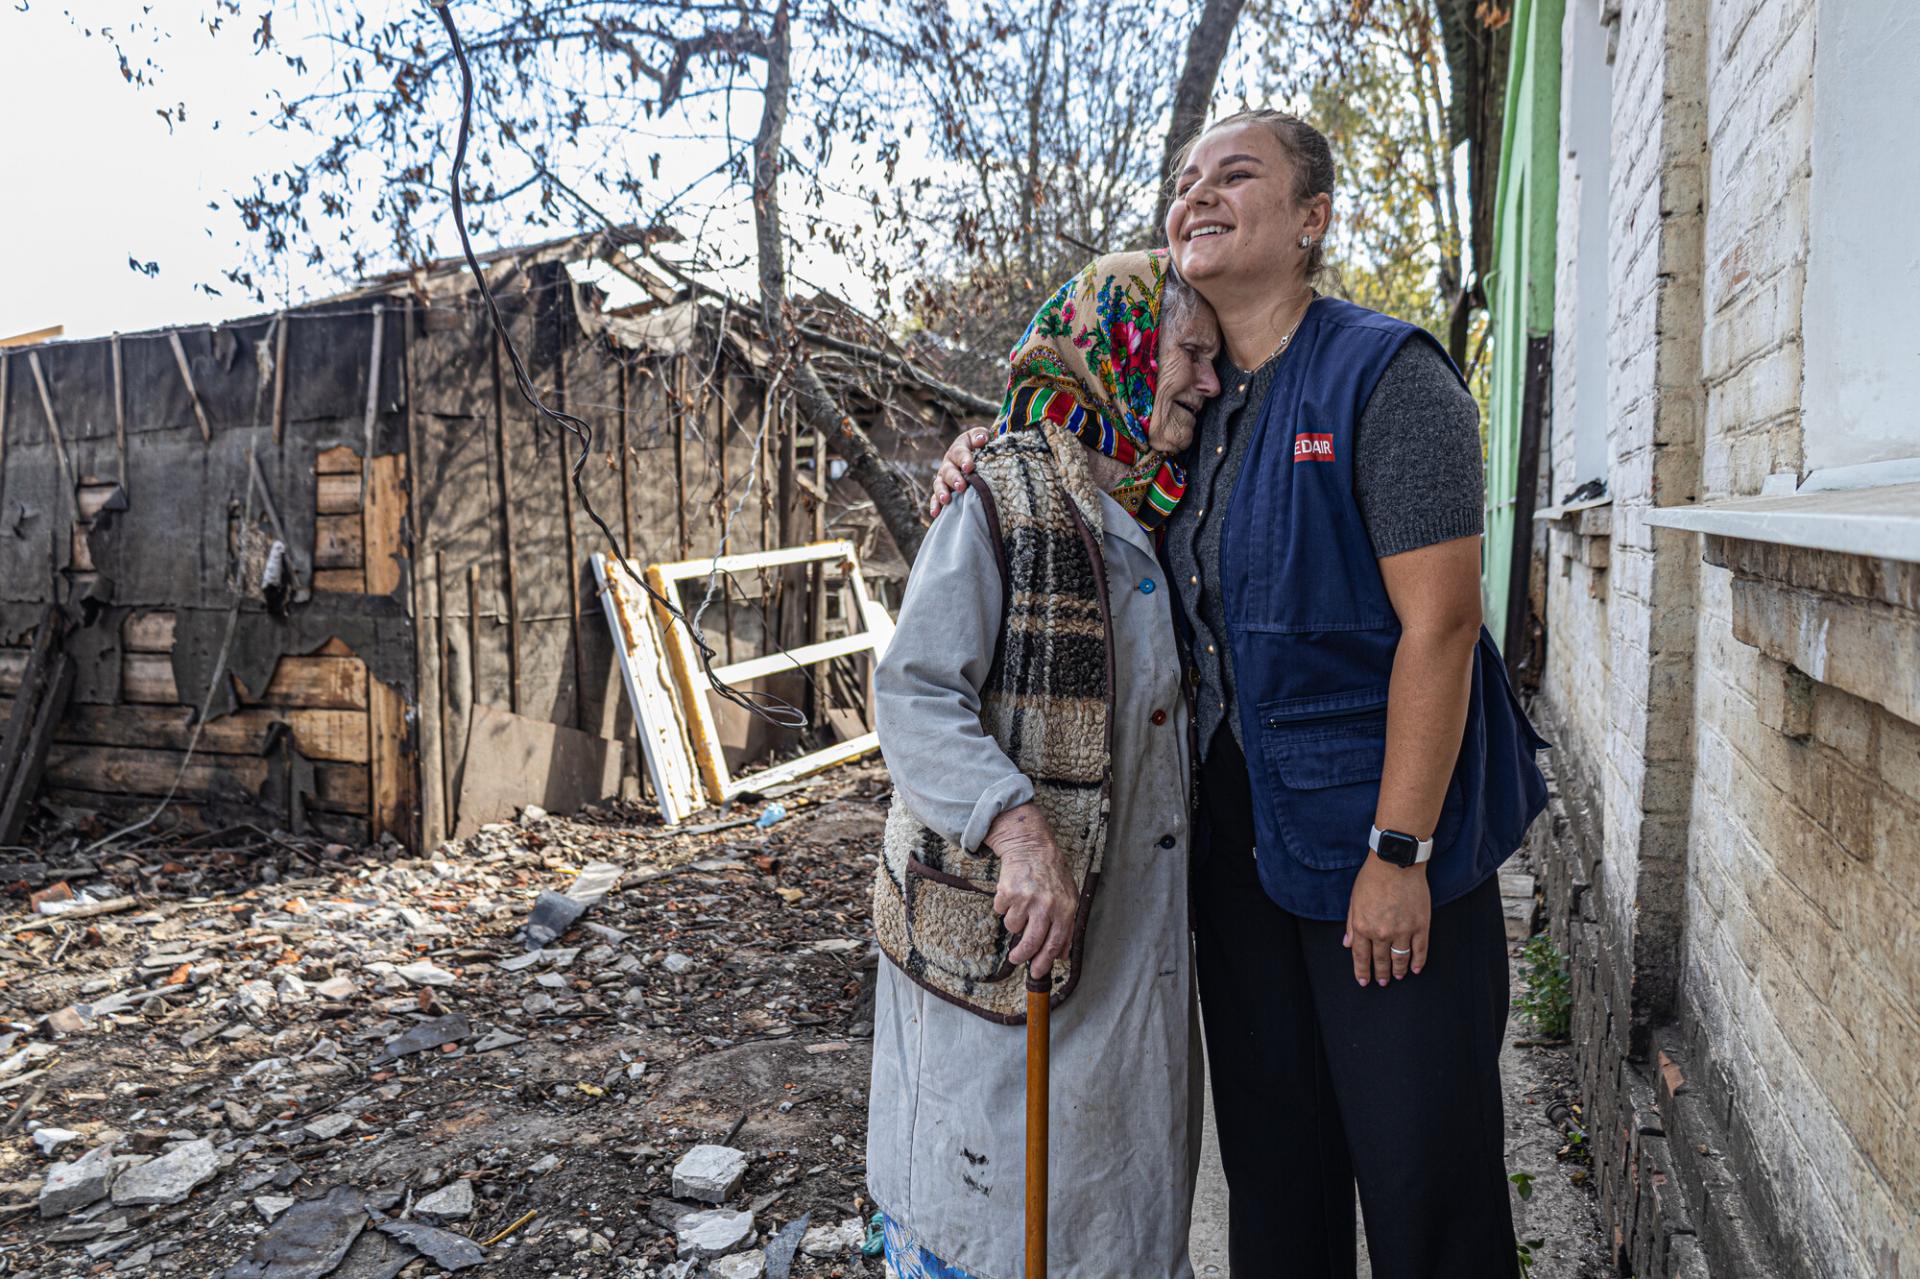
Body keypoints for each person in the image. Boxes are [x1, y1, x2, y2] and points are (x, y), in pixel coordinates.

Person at [930, 111, 1550, 1278]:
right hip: (1239, 863)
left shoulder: (1388, 376)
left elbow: (1444, 626)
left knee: (1427, 1188)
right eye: (1184, 180)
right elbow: (1070, 462)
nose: (1198, 193)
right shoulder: (1187, 407)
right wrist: (981, 451)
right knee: (1275, 1179)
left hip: (1384, 852)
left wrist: (1400, 854)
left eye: (1236, 173)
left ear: (1313, 218)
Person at [867, 249, 1222, 1279]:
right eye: (1190, 355)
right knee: (998, 1213)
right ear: (1122, 354)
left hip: (1133, 934)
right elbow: (915, 690)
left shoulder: (1169, 506)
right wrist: (1016, 829)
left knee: (1117, 1208)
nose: (1208, 381)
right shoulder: (1001, 493)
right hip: (1011, 931)